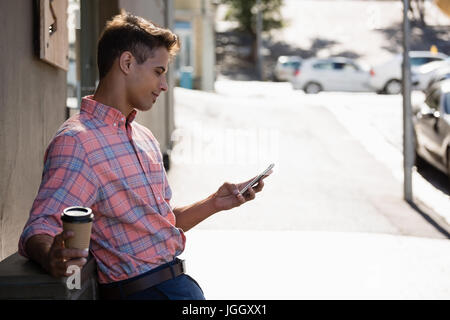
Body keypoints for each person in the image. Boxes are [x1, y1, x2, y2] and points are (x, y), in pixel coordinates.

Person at [18, 12, 269, 300]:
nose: (164, 85)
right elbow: (39, 226)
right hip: (142, 293)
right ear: (126, 63)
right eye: (158, 72)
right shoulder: (78, 142)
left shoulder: (144, 137)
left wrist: (215, 202)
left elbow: (160, 222)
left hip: (178, 285)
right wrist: (51, 254)